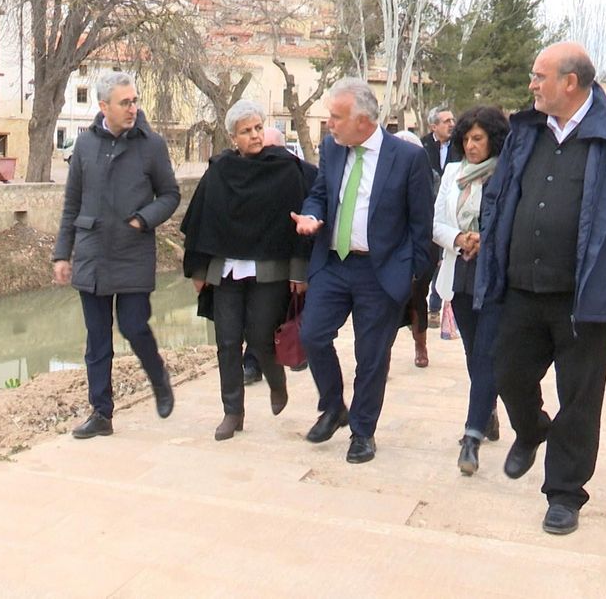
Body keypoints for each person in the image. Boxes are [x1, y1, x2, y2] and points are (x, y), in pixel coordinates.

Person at [474, 42, 606, 534]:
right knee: (507, 374)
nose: (531, 84)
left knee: (580, 399)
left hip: (588, 297)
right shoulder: (526, 132)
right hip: (522, 288)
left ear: (570, 82)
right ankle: (531, 428)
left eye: (539, 75)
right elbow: (499, 196)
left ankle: (564, 494)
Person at [291, 78, 433, 464]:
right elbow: (321, 192)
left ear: (364, 120)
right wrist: (312, 215)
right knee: (314, 334)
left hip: (381, 271)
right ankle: (334, 406)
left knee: (371, 356)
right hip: (333, 263)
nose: (329, 124)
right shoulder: (333, 150)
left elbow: (422, 223)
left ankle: (363, 431)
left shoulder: (407, 158)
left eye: (336, 117)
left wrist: (411, 276)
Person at [52, 72, 181, 439]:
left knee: (133, 326)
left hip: (132, 250)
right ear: (103, 106)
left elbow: (170, 194)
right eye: (125, 102)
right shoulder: (84, 146)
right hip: (92, 250)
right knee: (97, 338)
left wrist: (144, 218)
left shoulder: (151, 145)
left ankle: (159, 378)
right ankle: (101, 413)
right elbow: (71, 203)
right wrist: (63, 253)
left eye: (135, 101)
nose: (132, 108)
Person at [181, 100, 315, 440]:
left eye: (258, 128)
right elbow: (200, 220)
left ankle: (277, 382)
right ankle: (232, 412)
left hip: (269, 271)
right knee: (227, 341)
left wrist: (299, 273)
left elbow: (301, 224)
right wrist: (199, 270)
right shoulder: (220, 170)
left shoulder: (285, 169)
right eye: (246, 131)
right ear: (232, 137)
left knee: (259, 337)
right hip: (227, 271)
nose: (255, 135)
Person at [432, 106, 508, 476]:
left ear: (493, 138)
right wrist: (460, 237)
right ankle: (488, 409)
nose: (471, 145)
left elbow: (511, 220)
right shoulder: (452, 174)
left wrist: (485, 239)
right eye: (466, 139)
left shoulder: (507, 174)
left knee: (487, 354)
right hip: (459, 270)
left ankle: (471, 436)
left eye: (478, 138)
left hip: (493, 274)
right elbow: (436, 222)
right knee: (472, 351)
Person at [243, 127, 311, 384]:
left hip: (294, 256)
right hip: (260, 259)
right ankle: (252, 363)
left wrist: (302, 266)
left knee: (291, 311)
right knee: (256, 316)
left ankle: (296, 353)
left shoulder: (305, 173)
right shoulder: (250, 176)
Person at [394, 130, 435, 368]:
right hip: (390, 248)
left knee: (417, 297)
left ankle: (420, 344)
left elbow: (432, 216)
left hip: (421, 246)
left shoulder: (431, 177)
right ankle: (382, 356)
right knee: (384, 303)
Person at [421, 107, 458, 329]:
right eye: (446, 121)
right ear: (434, 126)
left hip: (452, 208)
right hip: (428, 209)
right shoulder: (422, 146)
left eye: (452, 120)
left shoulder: (460, 145)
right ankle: (427, 305)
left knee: (446, 255)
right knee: (432, 258)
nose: (451, 124)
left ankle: (437, 306)